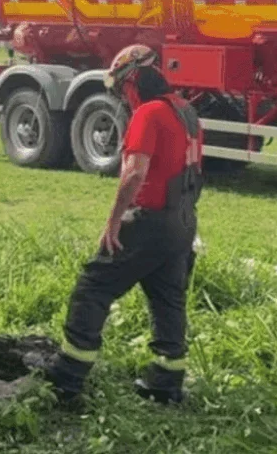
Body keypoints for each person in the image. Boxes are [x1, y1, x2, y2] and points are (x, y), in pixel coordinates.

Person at [32, 44, 204, 404]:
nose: (124, 95)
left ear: (133, 80)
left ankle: (67, 379)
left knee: (93, 288)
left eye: (123, 87)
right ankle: (166, 382)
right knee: (168, 300)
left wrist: (112, 222)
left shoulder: (148, 114)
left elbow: (133, 173)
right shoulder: (187, 112)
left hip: (147, 221)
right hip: (182, 222)